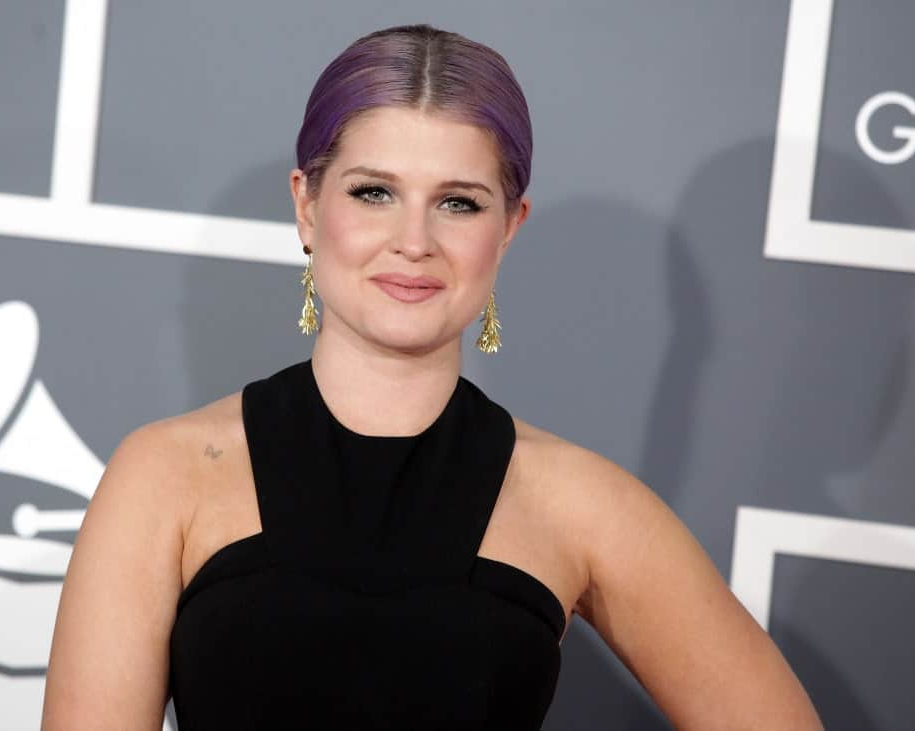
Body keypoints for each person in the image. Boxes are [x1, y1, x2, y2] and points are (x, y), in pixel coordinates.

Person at [41, 23, 822, 730]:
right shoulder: (164, 476)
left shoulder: (581, 503)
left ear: (510, 228)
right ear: (307, 206)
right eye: (374, 192)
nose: (413, 241)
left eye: (458, 202)